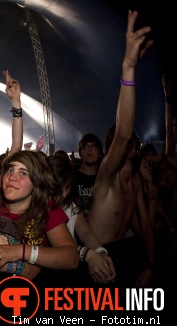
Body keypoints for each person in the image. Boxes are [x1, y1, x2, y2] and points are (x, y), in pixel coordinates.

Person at [87, 10, 154, 288]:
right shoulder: (108, 175)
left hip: (124, 257)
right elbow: (124, 133)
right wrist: (128, 68)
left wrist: (151, 264)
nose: (131, 141)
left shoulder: (134, 181)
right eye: (124, 141)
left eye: (134, 141)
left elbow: (144, 228)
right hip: (96, 261)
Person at [0, 150, 78, 280]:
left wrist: (22, 251)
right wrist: (19, 268)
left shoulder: (47, 207)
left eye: (23, 173)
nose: (12, 177)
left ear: (37, 183)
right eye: (10, 170)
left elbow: (71, 258)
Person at [46, 154, 116, 284]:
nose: (64, 194)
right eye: (59, 187)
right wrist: (87, 254)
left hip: (70, 274)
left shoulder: (70, 205)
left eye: (67, 187)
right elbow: (54, 246)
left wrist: (100, 252)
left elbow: (85, 232)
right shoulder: (38, 206)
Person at [73, 133, 104, 220]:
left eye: (93, 146)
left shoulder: (105, 178)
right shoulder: (72, 178)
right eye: (85, 146)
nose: (89, 149)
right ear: (80, 153)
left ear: (100, 153)